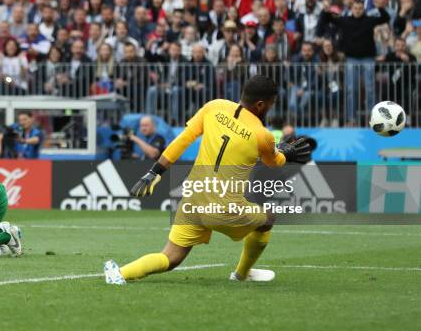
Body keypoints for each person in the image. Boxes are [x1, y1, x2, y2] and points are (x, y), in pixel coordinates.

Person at [103, 75, 311, 284]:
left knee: (171, 257)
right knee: (268, 220)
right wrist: (288, 153)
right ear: (260, 104)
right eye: (271, 104)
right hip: (224, 208)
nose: (270, 109)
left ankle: (120, 273)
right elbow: (274, 161)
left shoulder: (215, 106)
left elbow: (184, 138)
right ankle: (241, 274)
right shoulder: (261, 134)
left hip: (193, 200)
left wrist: (156, 171)